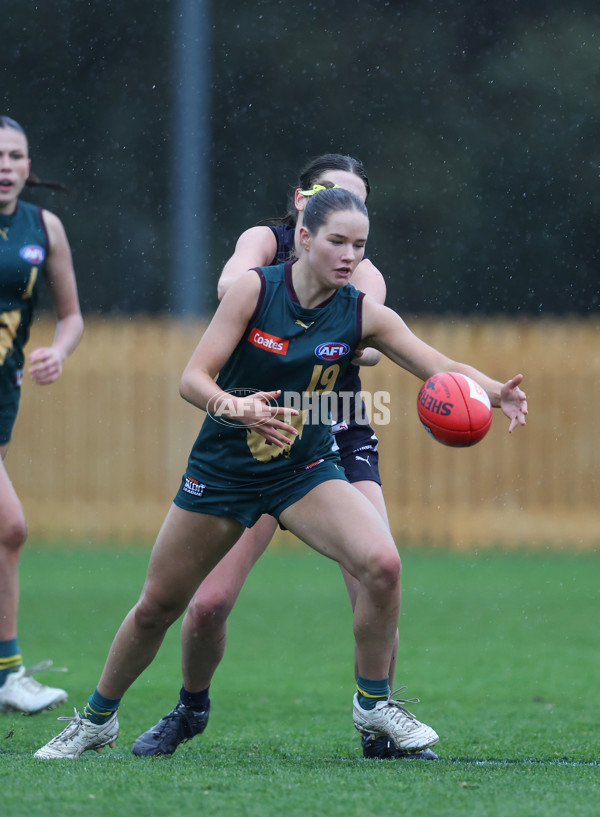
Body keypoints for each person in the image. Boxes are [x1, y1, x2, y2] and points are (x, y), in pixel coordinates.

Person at [34, 186, 527, 759]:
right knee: (158, 608)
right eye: (337, 242)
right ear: (303, 237)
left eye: (360, 246)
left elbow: (437, 365)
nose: (349, 256)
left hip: (305, 469)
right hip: (224, 470)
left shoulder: (360, 311)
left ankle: (374, 704)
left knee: (383, 563)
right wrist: (236, 406)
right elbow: (193, 378)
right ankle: (96, 720)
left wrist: (495, 393)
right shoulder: (254, 289)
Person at [132, 153, 431, 762]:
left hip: (335, 429)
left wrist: (335, 324)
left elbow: (373, 350)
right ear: (302, 204)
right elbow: (227, 287)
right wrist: (276, 294)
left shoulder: (359, 269)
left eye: (358, 216)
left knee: (377, 574)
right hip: (262, 427)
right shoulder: (263, 245)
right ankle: (190, 708)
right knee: (209, 602)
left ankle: (379, 721)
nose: (347, 237)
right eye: (329, 203)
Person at [0, 116, 84, 714]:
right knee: (10, 527)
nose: (5, 166)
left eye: (16, 156)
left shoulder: (43, 227)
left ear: (29, 167)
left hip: (6, 395)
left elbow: (72, 315)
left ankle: (7, 673)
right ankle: (8, 672)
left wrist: (57, 349)